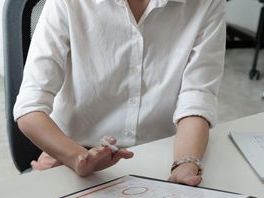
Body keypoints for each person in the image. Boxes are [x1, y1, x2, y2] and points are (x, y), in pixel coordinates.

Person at [14, 0, 225, 186]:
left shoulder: (207, 3)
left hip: (162, 155)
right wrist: (77, 158)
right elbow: (30, 107)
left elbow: (197, 96)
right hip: (74, 155)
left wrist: (186, 163)